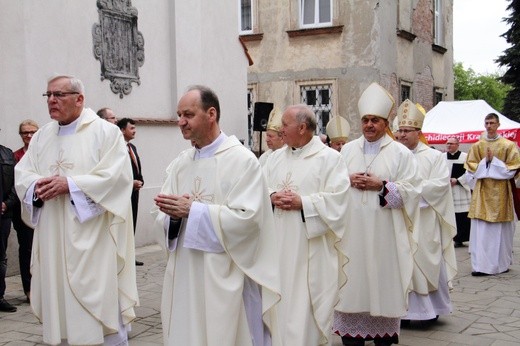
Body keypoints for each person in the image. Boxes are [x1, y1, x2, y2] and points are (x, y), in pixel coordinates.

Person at [152, 85, 281, 346]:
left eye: (188, 114)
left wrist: (194, 211)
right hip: (186, 275)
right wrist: (173, 217)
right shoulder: (180, 164)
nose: (181, 122)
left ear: (211, 114)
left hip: (225, 277)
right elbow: (163, 217)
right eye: (179, 115)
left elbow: (249, 222)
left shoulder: (242, 161)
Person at [15, 75, 138, 345]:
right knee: (61, 313)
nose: (51, 101)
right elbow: (22, 174)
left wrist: (70, 184)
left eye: (58, 95)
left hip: (92, 241)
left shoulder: (105, 133)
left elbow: (118, 179)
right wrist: (36, 186)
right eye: (48, 95)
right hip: (52, 240)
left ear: (79, 99)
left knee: (97, 315)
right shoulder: (42, 136)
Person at [334, 82, 420, 346]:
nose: (369, 125)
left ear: (386, 123)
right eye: (365, 120)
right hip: (352, 235)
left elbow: (413, 191)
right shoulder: (346, 151)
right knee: (352, 290)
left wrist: (381, 186)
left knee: (383, 289)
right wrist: (346, 180)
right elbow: (331, 185)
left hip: (385, 237)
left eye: (375, 120)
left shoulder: (401, 154)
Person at [263, 104, 349, 345]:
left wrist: (304, 202)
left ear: (302, 128)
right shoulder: (274, 159)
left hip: (311, 251)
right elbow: (258, 189)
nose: (281, 130)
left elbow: (339, 200)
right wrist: (271, 196)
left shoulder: (330, 159)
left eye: (285, 125)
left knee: (305, 309)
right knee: (279, 308)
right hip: (277, 247)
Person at [396, 100, 457, 323]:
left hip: (424, 219)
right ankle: (401, 311)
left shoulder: (434, 157)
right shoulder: (394, 155)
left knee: (423, 260)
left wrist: (408, 192)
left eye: (406, 131)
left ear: (418, 132)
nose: (401, 135)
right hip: (399, 219)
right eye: (400, 130)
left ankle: (428, 310)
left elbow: (440, 186)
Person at [464, 113, 520, 276]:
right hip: (482, 193)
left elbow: (514, 167)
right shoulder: (477, 146)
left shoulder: (508, 145)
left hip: (501, 194)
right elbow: (470, 165)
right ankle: (481, 265)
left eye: (492, 123)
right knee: (482, 231)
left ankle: (500, 264)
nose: (489, 126)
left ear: (498, 124)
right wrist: (486, 162)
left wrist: (493, 162)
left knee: (500, 232)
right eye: (486, 123)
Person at [13, 119, 39, 302]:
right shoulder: (15, 157)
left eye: (32, 132)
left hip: (43, 207)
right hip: (22, 209)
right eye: (25, 133)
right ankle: (29, 289)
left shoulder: (43, 153)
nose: (28, 136)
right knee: (27, 249)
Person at [117, 118, 144, 266]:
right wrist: (129, 183)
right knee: (123, 224)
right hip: (123, 193)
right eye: (131, 128)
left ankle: (130, 255)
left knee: (132, 223)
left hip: (134, 192)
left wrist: (140, 180)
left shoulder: (132, 147)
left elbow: (136, 167)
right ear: (122, 130)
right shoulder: (118, 148)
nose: (134, 131)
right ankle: (122, 256)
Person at [444, 136, 472, 247]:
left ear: (457, 145)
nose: (449, 145)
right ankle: (450, 237)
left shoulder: (465, 157)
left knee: (461, 215)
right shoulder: (441, 157)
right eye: (447, 143)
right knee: (449, 214)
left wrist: (458, 180)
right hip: (446, 189)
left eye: (451, 143)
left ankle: (460, 238)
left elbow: (470, 172)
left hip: (460, 190)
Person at [0, 142, 17, 313]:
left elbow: (16, 183)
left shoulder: (7, 154)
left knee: (1, 257)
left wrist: (7, 204)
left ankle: (0, 296)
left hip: (3, 215)